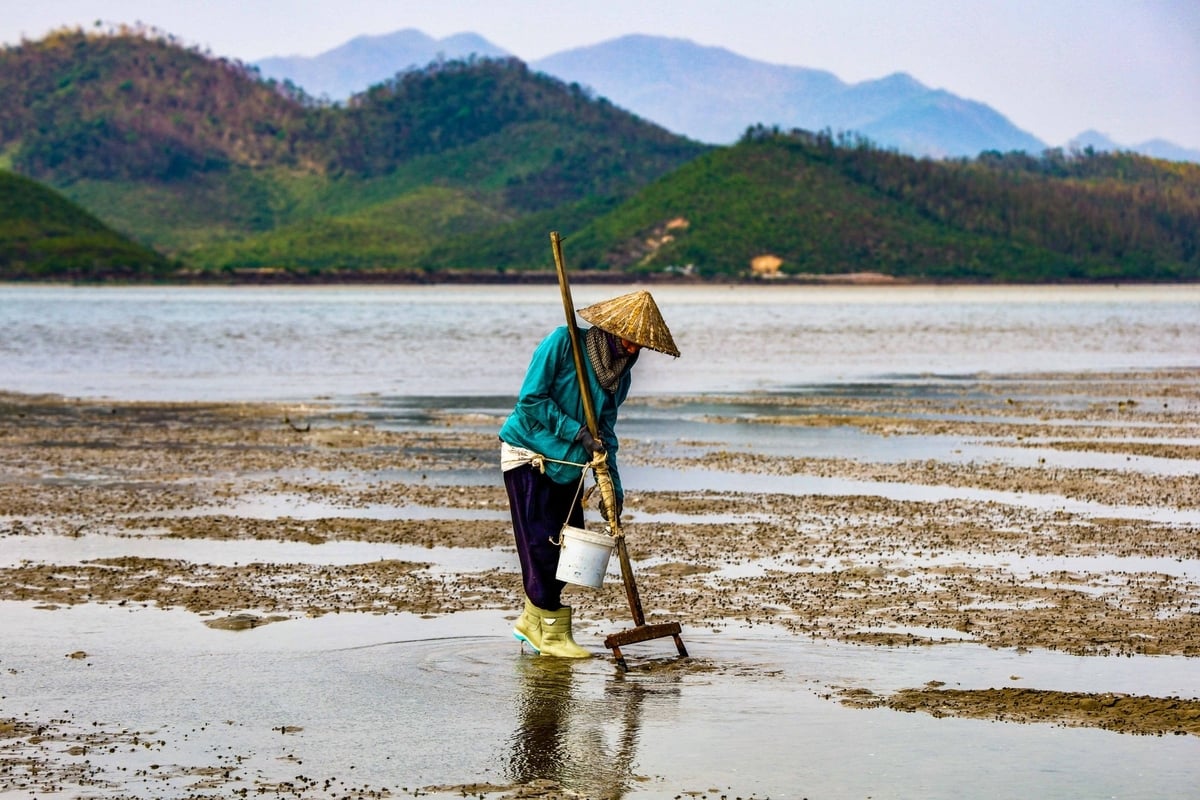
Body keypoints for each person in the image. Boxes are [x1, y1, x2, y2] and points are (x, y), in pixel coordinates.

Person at [499, 290, 679, 658]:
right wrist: (576, 432)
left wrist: (612, 489)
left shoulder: (619, 379)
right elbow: (530, 401)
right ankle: (551, 634)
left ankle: (531, 622)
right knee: (541, 547)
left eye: (640, 345)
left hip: (569, 468)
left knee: (570, 553)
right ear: (613, 332)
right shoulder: (564, 342)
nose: (633, 351)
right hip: (529, 454)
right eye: (630, 341)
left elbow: (606, 435)